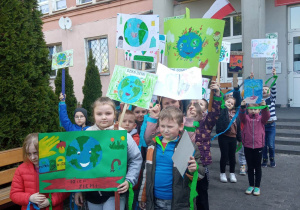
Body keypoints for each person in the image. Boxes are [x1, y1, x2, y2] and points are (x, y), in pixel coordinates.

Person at [74, 97, 142, 210]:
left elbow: (135, 159)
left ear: (114, 114)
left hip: (115, 191)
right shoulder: (86, 134)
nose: (104, 117)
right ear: (93, 115)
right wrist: (78, 190)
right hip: (92, 192)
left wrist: (129, 180)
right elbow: (79, 162)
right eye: (99, 114)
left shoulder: (122, 135)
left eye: (108, 113)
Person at [138, 106, 205, 210]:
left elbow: (201, 174)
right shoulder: (153, 145)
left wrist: (194, 169)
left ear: (181, 126)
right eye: (162, 126)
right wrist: (143, 196)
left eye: (170, 126)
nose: (165, 130)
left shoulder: (186, 146)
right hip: (154, 200)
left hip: (177, 201)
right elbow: (146, 172)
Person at [186, 81, 222, 210]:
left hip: (201, 163)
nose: (194, 106)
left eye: (199, 104)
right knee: (186, 194)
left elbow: (215, 113)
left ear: (205, 110)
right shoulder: (183, 122)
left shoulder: (206, 123)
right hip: (185, 163)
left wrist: (217, 94)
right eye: (191, 104)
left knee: (202, 195)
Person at [10, 133, 70, 210]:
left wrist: (50, 201)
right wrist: (29, 198)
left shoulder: (55, 166)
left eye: (36, 153)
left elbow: (65, 190)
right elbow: (14, 194)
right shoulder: (21, 169)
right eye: (29, 154)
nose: (32, 157)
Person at [239, 100, 270, 196]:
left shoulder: (261, 119)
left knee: (257, 167)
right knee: (250, 167)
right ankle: (251, 185)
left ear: (259, 110)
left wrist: (265, 107)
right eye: (251, 109)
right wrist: (243, 107)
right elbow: (241, 116)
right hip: (247, 146)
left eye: (255, 109)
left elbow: (267, 116)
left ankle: (257, 187)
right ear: (248, 110)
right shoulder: (246, 119)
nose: (253, 111)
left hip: (258, 146)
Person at [216, 87, 242, 183]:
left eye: (231, 103)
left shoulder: (236, 114)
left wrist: (240, 139)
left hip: (233, 138)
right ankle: (222, 173)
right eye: (228, 102)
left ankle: (232, 173)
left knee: (232, 156)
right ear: (224, 102)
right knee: (224, 155)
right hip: (223, 137)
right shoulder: (222, 111)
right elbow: (220, 104)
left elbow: (238, 128)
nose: (229, 104)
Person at [262, 68, 277, 167]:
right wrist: (252, 78)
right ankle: (264, 160)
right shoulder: (259, 101)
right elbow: (252, 90)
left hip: (271, 125)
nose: (264, 91)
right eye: (262, 90)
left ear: (269, 91)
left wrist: (274, 76)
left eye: (266, 89)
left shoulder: (271, 99)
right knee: (263, 145)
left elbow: (274, 89)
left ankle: (272, 159)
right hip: (262, 125)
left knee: (270, 144)